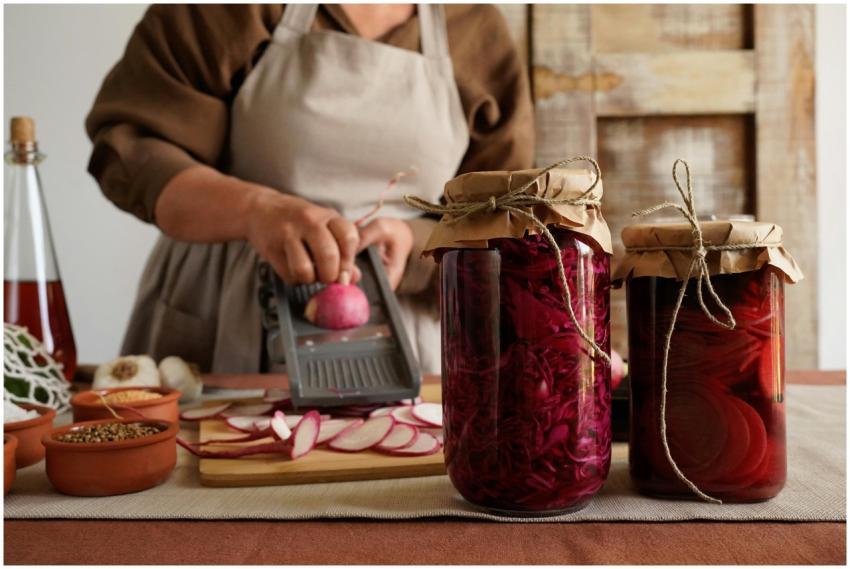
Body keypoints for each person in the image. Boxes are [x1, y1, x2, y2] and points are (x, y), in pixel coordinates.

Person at [86, 4, 534, 375]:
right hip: (224, 316)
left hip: (409, 334)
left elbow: (503, 216)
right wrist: (255, 210)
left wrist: (417, 243)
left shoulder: (476, 26)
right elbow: (132, 149)